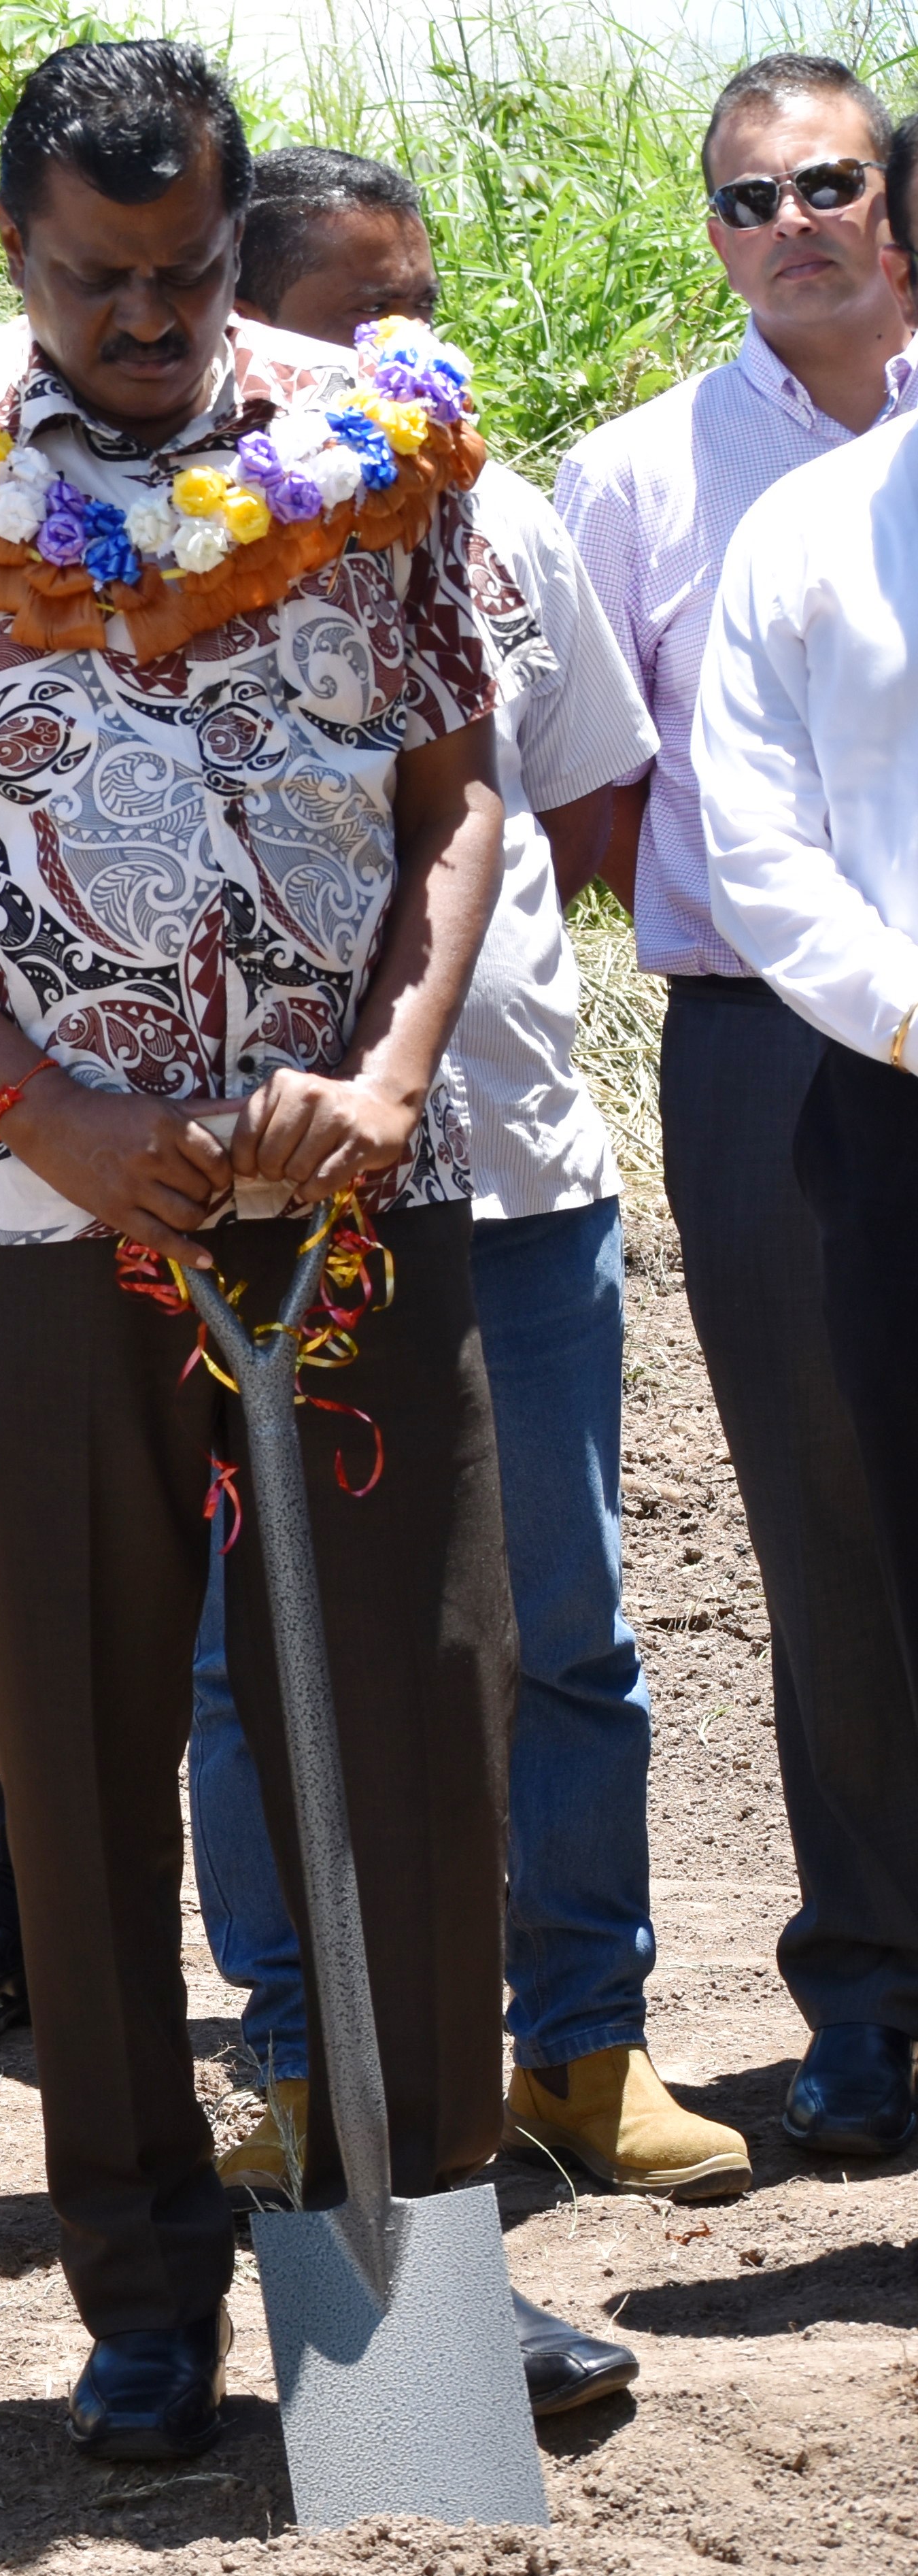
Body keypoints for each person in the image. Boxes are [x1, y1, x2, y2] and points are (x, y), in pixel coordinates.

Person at [0, 39, 562, 2459]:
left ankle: (417, 2275)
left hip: (344, 1204)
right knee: (82, 1734)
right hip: (29, 1206)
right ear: (17, 253)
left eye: (189, 272)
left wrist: (390, 1079)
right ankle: (139, 2282)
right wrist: (49, 1110)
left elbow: (457, 790)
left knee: (410, 1714)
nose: (157, 323)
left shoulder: (366, 436)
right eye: (102, 283)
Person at [552, 52, 918, 2163]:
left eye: (828, 184)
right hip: (776, 1045)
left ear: (894, 208)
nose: (787, 222)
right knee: (834, 1512)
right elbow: (608, 797)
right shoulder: (638, 477)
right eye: (742, 198)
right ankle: (871, 1988)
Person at [698, 114, 918, 2046]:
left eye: (823, 190)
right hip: (885, 1099)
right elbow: (751, 847)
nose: (802, 228)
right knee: (882, 1561)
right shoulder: (808, 533)